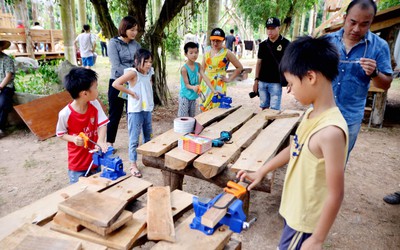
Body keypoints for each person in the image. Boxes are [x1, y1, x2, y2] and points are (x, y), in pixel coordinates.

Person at [237, 36, 348, 249]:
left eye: (291, 83)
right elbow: (294, 149)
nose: (290, 90)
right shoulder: (311, 114)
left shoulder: (331, 132)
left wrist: (317, 239)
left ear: (311, 77)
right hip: (295, 210)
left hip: (305, 223)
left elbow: (337, 193)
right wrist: (262, 171)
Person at [325, 0, 393, 157]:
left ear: (371, 22)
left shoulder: (379, 46)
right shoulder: (326, 42)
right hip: (321, 113)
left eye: (364, 24)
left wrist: (374, 73)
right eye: (353, 22)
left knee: (337, 162)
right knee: (312, 160)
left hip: (350, 118)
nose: (356, 29)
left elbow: (386, 85)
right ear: (345, 18)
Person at [56, 68, 109, 184]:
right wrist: (73, 139)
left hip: (95, 160)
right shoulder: (65, 114)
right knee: (79, 195)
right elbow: (60, 134)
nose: (97, 90)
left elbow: (102, 124)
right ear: (84, 93)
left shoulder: (94, 104)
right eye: (95, 87)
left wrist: (100, 141)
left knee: (97, 189)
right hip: (77, 164)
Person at [112, 49, 154, 178]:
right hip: (135, 110)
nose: (148, 64)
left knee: (148, 135)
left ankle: (148, 158)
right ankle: (133, 164)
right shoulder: (133, 73)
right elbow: (116, 84)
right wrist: (131, 92)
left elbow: (148, 85)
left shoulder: (150, 72)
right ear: (137, 61)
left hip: (146, 108)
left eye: (150, 61)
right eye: (145, 61)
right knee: (134, 138)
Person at [107, 16, 141, 147]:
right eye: (131, 29)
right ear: (124, 28)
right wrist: (131, 75)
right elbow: (116, 65)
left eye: (136, 30)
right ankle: (109, 142)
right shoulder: (113, 44)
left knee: (132, 113)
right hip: (117, 82)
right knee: (115, 113)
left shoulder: (136, 45)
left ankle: (133, 141)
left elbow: (139, 62)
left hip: (132, 82)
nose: (134, 33)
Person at [199, 28, 243, 112]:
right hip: (206, 84)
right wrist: (198, 84)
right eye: (213, 40)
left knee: (217, 110)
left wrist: (229, 79)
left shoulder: (227, 53)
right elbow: (202, 69)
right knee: (203, 109)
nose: (215, 43)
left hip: (218, 84)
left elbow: (239, 67)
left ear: (223, 40)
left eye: (218, 41)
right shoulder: (207, 50)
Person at [253, 17, 290, 111]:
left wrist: (290, 80)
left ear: (279, 28)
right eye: (268, 28)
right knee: (264, 107)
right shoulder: (262, 45)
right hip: (262, 81)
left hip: (276, 82)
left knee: (274, 109)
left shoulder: (286, 44)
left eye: (273, 28)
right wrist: (256, 81)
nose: (270, 31)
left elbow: (289, 64)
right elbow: (259, 63)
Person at [178, 42, 218, 117]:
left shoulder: (198, 65)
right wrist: (193, 87)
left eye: (196, 52)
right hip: (185, 96)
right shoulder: (184, 69)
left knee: (192, 117)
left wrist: (214, 90)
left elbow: (205, 78)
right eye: (191, 53)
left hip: (193, 96)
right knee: (183, 118)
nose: (194, 55)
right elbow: (186, 85)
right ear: (185, 54)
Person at [0, 40, 15, 138]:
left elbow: (8, 76)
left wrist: (0, 87)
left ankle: (0, 128)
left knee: (2, 103)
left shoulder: (7, 59)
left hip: (5, 86)